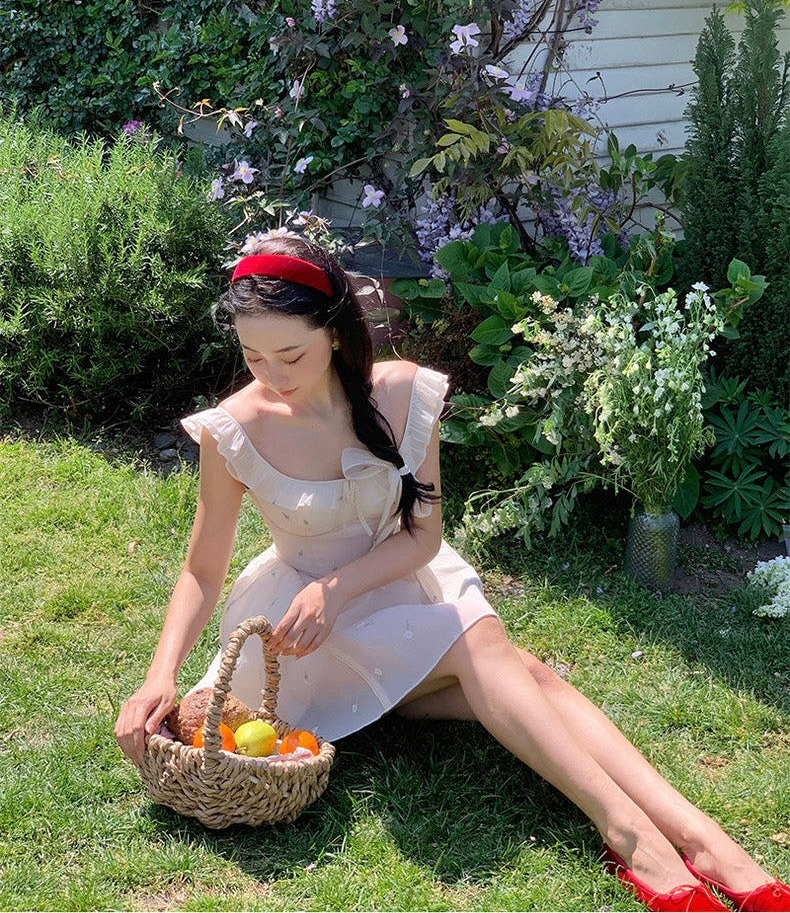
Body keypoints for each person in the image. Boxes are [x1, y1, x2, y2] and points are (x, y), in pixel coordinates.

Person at [115, 233, 790, 913]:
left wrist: (338, 588)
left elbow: (423, 537)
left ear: (335, 330)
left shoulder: (403, 392)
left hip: (394, 588)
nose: (273, 374)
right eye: (253, 355)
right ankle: (636, 836)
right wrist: (159, 673)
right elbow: (202, 569)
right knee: (493, 651)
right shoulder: (235, 428)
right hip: (306, 640)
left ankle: (697, 835)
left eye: (291, 354)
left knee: (525, 672)